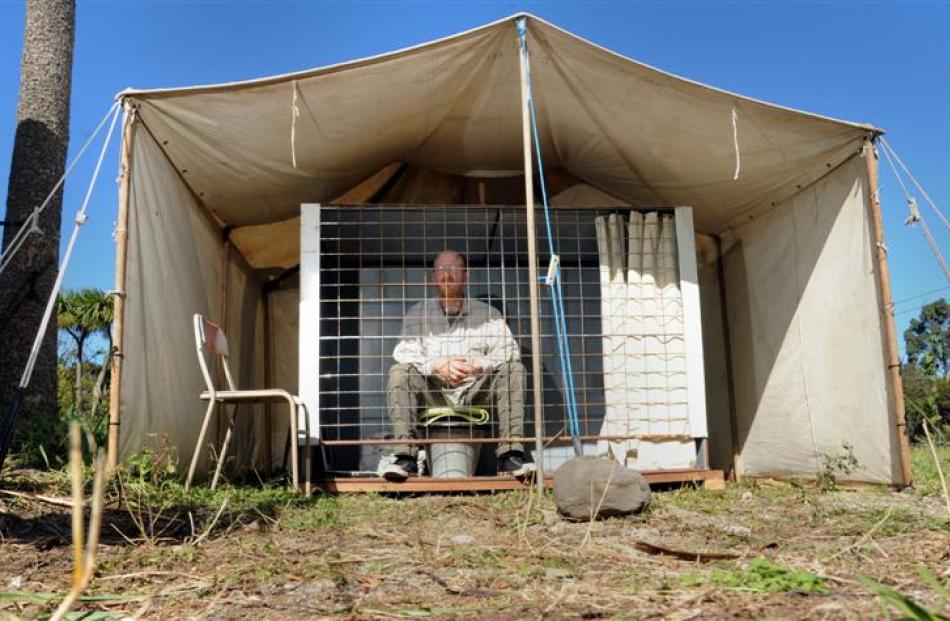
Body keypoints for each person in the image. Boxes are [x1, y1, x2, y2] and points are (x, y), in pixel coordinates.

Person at [382, 250, 534, 480]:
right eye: (441, 270)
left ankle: (511, 455)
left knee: (514, 369)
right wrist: (437, 365)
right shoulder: (417, 313)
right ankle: (407, 457)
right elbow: (403, 352)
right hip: (434, 390)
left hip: (476, 390)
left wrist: (478, 364)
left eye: (453, 269)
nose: (447, 275)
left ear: (466, 275)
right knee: (399, 372)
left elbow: (510, 351)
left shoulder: (488, 314)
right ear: (434, 276)